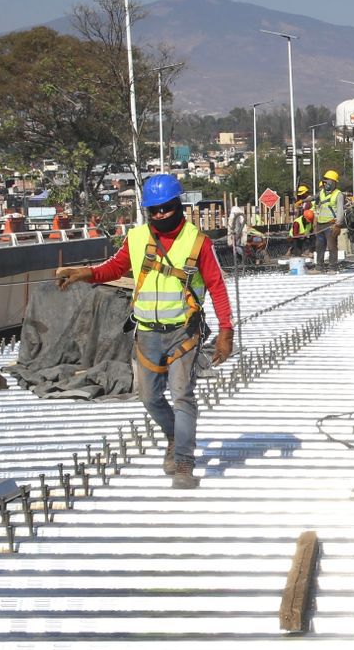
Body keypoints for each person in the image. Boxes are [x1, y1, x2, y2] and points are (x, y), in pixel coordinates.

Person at [55, 173, 234, 490]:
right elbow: (114, 268)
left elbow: (217, 287)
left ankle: (183, 462)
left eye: (165, 208)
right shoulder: (137, 239)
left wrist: (226, 332)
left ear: (177, 205)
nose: (160, 215)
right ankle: (173, 434)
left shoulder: (197, 242)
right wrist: (84, 273)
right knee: (149, 397)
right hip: (147, 333)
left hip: (183, 331)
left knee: (182, 396)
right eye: (154, 210)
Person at [312, 170, 345, 271]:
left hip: (331, 225)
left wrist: (338, 224)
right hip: (321, 224)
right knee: (319, 246)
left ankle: (333, 267)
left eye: (327, 181)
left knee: (332, 247)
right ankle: (319, 267)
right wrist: (303, 201)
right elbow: (314, 198)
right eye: (324, 181)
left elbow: (340, 210)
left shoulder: (338, 194)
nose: (325, 183)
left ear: (333, 182)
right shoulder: (322, 193)